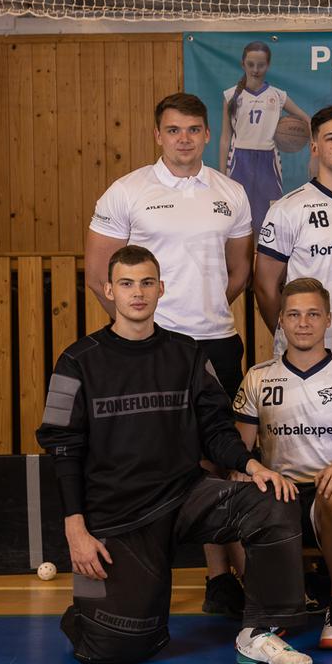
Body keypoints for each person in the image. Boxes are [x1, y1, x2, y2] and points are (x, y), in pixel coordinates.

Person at [36, 245, 311, 664]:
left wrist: (252, 465)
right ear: (109, 290)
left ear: (161, 288)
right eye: (127, 284)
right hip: (117, 513)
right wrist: (75, 526)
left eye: (147, 283)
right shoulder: (75, 361)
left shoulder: (189, 354)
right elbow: (62, 447)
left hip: (186, 496)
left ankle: (259, 632)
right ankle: (87, 613)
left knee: (274, 499)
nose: (138, 293)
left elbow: (216, 428)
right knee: (108, 650)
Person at [84, 91, 255, 618]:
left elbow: (239, 272)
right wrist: (145, 330)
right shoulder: (127, 190)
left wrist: (203, 313)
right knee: (166, 458)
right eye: (174, 130)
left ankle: (225, 581)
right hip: (153, 349)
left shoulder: (231, 192)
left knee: (219, 457)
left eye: (193, 130)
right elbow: (98, 274)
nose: (184, 139)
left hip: (217, 342)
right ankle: (161, 576)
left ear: (207, 134)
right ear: (158, 135)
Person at [233, 277, 332, 649]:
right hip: (280, 489)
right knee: (236, 489)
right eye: (294, 315)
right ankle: (268, 606)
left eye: (313, 314)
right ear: (280, 320)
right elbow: (239, 448)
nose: (304, 323)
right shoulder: (258, 377)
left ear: (328, 319)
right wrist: (244, 471)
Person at [253, 106, 332, 367]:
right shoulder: (287, 208)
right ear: (314, 148)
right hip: (304, 356)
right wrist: (292, 336)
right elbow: (265, 285)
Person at [218, 41, 310, 231]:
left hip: (269, 160)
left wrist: (313, 137)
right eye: (250, 64)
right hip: (239, 160)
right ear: (243, 64)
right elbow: (225, 138)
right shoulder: (230, 96)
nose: (255, 69)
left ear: (268, 65)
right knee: (238, 216)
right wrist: (221, 175)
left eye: (261, 65)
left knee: (269, 218)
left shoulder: (278, 95)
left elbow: (306, 118)